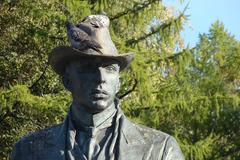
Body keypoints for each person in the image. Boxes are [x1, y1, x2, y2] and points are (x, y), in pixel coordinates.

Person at [11, 15, 184, 160]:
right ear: (67, 81)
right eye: (88, 68)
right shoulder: (28, 151)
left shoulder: (160, 149)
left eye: (110, 69)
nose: (101, 79)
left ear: (118, 82)